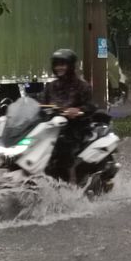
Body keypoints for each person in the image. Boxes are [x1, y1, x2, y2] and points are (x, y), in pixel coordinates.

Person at [41, 49, 96, 182]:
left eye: (63, 64)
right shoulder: (50, 87)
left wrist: (77, 110)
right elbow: (42, 104)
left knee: (62, 151)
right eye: (56, 64)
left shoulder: (82, 86)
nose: (59, 68)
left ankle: (67, 186)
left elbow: (90, 106)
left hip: (75, 129)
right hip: (51, 129)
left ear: (71, 66)